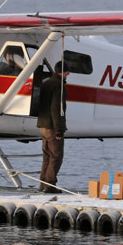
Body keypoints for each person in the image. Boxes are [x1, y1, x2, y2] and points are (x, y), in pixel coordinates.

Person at [36, 61, 69, 189]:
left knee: (47, 157)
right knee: (56, 156)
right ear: (63, 71)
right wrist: (59, 130)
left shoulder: (46, 83)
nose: (69, 73)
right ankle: (50, 186)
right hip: (52, 127)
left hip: (43, 126)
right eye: (67, 71)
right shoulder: (58, 85)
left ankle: (42, 185)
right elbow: (57, 108)